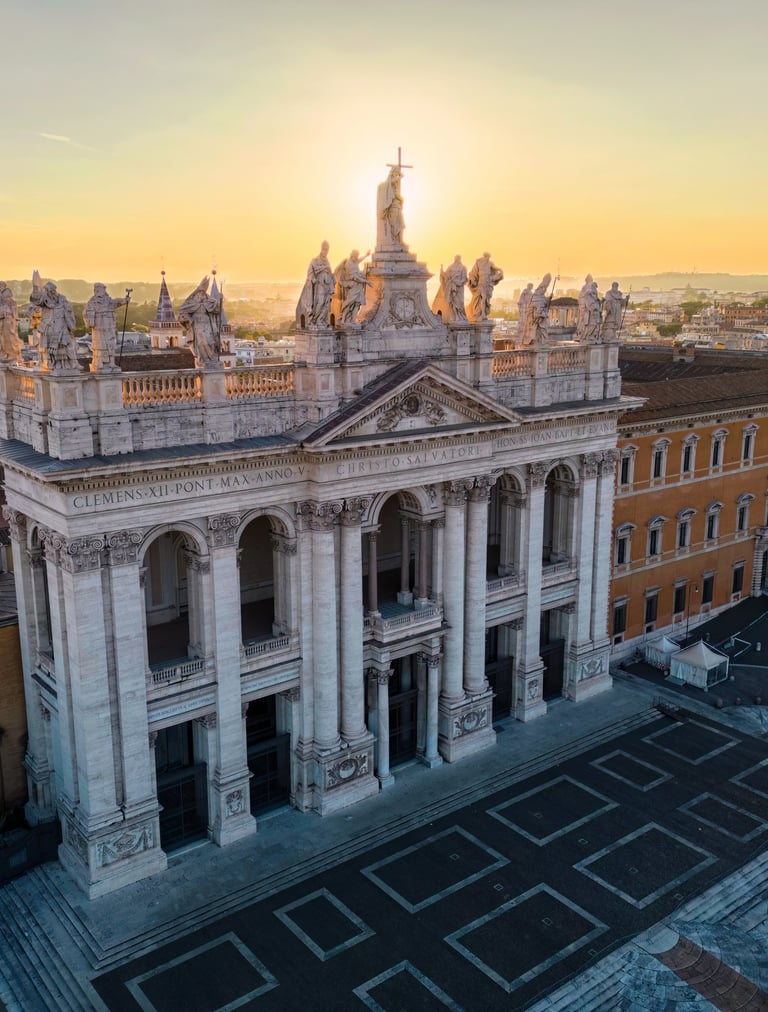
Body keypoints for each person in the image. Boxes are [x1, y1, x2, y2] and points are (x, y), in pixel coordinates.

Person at [29, 276, 78, 370]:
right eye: (49, 290)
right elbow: (36, 299)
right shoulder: (44, 299)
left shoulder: (62, 298)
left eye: (52, 290)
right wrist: (35, 288)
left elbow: (68, 310)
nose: (51, 292)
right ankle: (53, 364)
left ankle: (73, 363)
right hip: (49, 326)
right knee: (50, 347)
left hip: (62, 326)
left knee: (68, 345)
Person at [83, 282, 129, 371]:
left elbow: (116, 302)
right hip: (99, 328)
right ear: (97, 290)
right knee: (100, 345)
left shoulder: (108, 300)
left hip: (109, 326)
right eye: (102, 289)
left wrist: (125, 300)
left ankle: (111, 362)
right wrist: (91, 317)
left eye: (104, 289)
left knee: (111, 344)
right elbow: (85, 313)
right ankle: (99, 362)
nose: (104, 290)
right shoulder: (92, 302)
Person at [178, 276, 222, 366]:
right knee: (201, 342)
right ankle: (204, 359)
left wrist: (220, 300)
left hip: (208, 324)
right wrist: (187, 319)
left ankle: (212, 358)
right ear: (196, 294)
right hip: (197, 325)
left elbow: (216, 309)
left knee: (211, 341)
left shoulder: (208, 301)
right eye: (200, 293)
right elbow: (182, 312)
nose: (202, 295)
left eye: (203, 293)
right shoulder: (191, 303)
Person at [296, 241, 335, 327]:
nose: (326, 251)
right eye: (325, 249)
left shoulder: (327, 261)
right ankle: (315, 320)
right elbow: (310, 272)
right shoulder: (315, 260)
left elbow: (330, 273)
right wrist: (313, 279)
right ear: (322, 249)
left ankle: (322, 320)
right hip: (319, 286)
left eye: (327, 250)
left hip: (327, 286)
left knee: (326, 304)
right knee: (320, 302)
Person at [334, 250, 370, 324]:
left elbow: (359, 260)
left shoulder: (354, 261)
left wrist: (366, 255)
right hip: (353, 286)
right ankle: (344, 320)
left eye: (357, 256)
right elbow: (355, 277)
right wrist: (366, 281)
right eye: (356, 256)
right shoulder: (349, 264)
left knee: (357, 303)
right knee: (349, 304)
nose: (357, 258)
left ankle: (352, 321)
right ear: (352, 256)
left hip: (358, 286)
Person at [467, 252, 504, 322]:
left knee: (485, 300)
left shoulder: (490, 263)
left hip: (487, 284)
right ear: (485, 256)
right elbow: (473, 272)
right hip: (481, 284)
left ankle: (482, 314)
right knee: (482, 299)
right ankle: (481, 314)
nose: (488, 259)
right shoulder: (478, 263)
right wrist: (472, 280)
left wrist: (500, 270)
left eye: (488, 258)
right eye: (487, 257)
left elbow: (495, 268)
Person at [431, 255, 468, 321]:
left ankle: (460, 316)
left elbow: (464, 278)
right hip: (453, 286)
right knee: (453, 302)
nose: (457, 259)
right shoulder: (451, 267)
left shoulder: (463, 267)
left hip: (459, 288)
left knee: (460, 302)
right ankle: (455, 316)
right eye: (456, 258)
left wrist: (459, 282)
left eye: (458, 258)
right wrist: (442, 272)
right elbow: (446, 276)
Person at [376, 166, 405, 246]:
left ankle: (400, 241)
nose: (397, 174)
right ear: (392, 173)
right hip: (393, 207)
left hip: (398, 207)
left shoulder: (395, 184)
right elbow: (393, 181)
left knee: (401, 225)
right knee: (394, 224)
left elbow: (396, 194)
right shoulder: (390, 183)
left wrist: (400, 199)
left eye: (397, 172)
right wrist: (400, 176)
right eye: (396, 172)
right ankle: (394, 240)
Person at [575, 274, 601, 343]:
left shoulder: (593, 292)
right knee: (588, 323)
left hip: (592, 311)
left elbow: (595, 300)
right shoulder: (586, 290)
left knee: (594, 324)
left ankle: (591, 337)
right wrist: (586, 306)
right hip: (588, 310)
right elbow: (582, 298)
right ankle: (587, 336)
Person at [0, 282, 21, 364]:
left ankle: (11, 355)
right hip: (3, 322)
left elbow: (14, 315)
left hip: (8, 322)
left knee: (9, 338)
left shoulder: (11, 301)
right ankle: (3, 355)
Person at [530, 273, 552, 345]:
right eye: (544, 289)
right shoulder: (538, 297)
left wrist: (549, 298)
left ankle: (542, 343)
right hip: (539, 318)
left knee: (542, 330)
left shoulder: (540, 296)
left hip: (540, 317)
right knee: (542, 329)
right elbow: (540, 306)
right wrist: (543, 314)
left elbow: (545, 303)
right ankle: (542, 343)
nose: (545, 290)